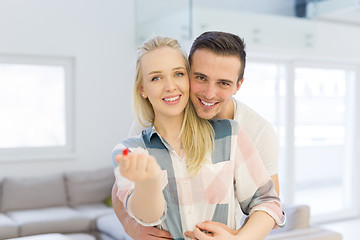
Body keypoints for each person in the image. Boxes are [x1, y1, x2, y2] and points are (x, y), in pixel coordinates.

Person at [112, 36, 284, 240]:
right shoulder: (141, 134)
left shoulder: (251, 132)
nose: (209, 93)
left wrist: (238, 238)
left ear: (238, 85)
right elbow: (123, 192)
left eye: (223, 83)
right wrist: (132, 225)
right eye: (201, 78)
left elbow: (269, 202)